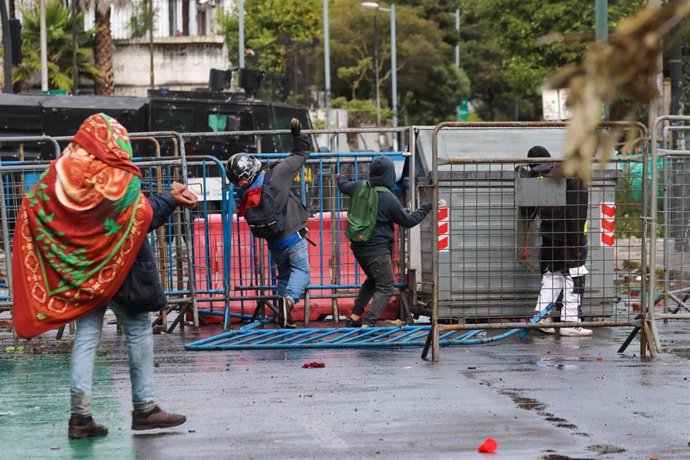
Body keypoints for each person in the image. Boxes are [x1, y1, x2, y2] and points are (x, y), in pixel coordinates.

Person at [12, 113, 196, 439]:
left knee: (86, 336)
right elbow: (140, 217)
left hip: (82, 274)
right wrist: (170, 198)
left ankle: (80, 416)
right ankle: (145, 408)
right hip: (120, 272)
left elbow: (33, 202)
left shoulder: (63, 171)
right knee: (138, 329)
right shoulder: (114, 177)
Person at [226, 119, 311, 328]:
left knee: (283, 275)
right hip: (292, 234)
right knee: (302, 271)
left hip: (274, 241)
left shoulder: (244, 193)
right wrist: (297, 135)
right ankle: (289, 301)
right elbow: (302, 153)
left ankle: (283, 316)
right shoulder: (278, 174)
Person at [338, 156, 432, 327]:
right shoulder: (389, 199)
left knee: (373, 281)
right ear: (389, 175)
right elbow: (408, 221)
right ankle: (368, 322)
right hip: (377, 251)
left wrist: (341, 177)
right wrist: (426, 208)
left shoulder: (359, 187)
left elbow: (343, 185)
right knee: (386, 287)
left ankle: (355, 316)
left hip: (358, 247)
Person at [519, 146, 592, 337]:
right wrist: (576, 241)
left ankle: (541, 318)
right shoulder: (576, 175)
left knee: (552, 276)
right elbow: (577, 211)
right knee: (574, 277)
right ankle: (570, 322)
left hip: (548, 236)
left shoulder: (537, 175)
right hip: (570, 237)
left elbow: (526, 211)